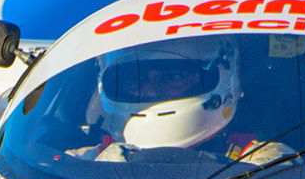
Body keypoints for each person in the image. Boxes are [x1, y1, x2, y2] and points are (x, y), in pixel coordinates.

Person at [71, 39, 292, 164]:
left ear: (228, 78)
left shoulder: (267, 159)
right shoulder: (84, 163)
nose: (151, 92)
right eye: (135, 80)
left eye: (173, 77)